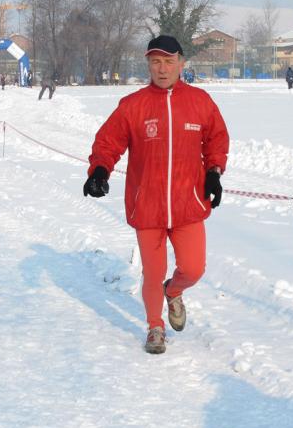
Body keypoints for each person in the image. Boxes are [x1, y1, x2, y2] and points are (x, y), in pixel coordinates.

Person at [83, 35, 229, 354]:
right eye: (155, 62)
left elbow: (217, 139)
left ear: (181, 63)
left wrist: (214, 172)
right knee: (152, 272)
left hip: (188, 203)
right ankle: (155, 327)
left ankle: (173, 291)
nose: (162, 69)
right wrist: (99, 170)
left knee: (193, 268)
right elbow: (108, 142)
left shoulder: (200, 102)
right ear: (148, 64)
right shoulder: (133, 106)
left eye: (168, 61)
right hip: (146, 205)